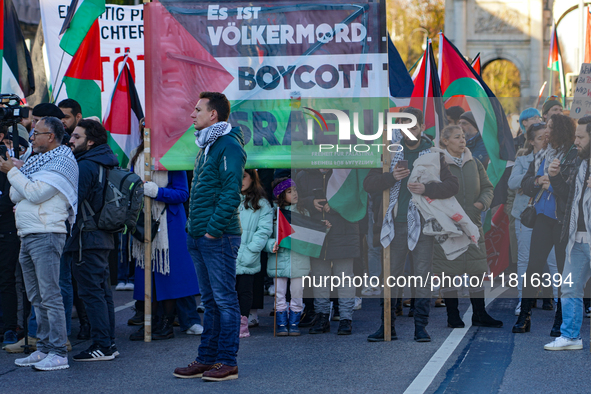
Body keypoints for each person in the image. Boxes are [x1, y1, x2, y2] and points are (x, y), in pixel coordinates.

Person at [363, 107, 459, 342]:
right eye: (403, 126)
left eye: (413, 126)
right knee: (392, 277)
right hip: (395, 223)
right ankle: (388, 326)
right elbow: (369, 183)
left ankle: (420, 327)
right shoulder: (390, 151)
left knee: (422, 276)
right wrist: (391, 177)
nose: (409, 131)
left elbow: (452, 185)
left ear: (422, 128)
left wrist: (427, 188)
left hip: (423, 224)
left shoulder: (434, 153)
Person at [174, 92, 246, 382]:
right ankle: (207, 360)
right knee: (211, 302)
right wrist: (196, 230)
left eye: (197, 110)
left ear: (213, 114)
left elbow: (231, 192)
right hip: (200, 235)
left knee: (225, 301)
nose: (192, 115)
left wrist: (212, 229)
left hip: (219, 236)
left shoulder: (228, 144)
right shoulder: (207, 144)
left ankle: (227, 363)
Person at [0, 117, 78, 371]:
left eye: (37, 134)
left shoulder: (62, 161)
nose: (32, 138)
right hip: (28, 233)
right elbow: (15, 193)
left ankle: (58, 353)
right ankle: (43, 348)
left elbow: (33, 193)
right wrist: (22, 179)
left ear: (52, 137)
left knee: (50, 294)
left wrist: (13, 172)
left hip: (47, 233)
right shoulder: (35, 161)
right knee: (35, 296)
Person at [130, 132, 203, 341]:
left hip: (169, 224)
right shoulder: (135, 155)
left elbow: (182, 193)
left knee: (171, 276)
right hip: (143, 221)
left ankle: (166, 324)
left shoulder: (173, 157)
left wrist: (157, 192)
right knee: (148, 276)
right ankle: (150, 323)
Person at [61, 119, 119, 361]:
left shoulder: (85, 166)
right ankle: (107, 342)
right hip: (101, 235)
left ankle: (102, 345)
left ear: (91, 141)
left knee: (91, 293)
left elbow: (72, 201)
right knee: (101, 291)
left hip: (87, 237)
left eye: (76, 137)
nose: (70, 140)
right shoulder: (105, 162)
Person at [513, 114, 577, 336]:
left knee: (561, 271)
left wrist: (553, 183)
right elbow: (525, 184)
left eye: (550, 127)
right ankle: (525, 316)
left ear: (559, 129)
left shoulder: (574, 155)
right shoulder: (542, 154)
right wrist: (539, 181)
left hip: (563, 220)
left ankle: (560, 319)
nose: (546, 131)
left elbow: (571, 193)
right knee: (533, 267)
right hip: (542, 217)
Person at [434, 125, 502, 328]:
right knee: (449, 270)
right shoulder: (437, 164)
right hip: (448, 225)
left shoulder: (474, 163)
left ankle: (479, 314)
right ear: (445, 141)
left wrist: (480, 204)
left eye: (463, 136)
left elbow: (488, 187)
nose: (462, 140)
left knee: (476, 269)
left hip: (472, 223)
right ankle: (452, 315)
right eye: (457, 137)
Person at [544, 116, 591, 350]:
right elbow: (566, 195)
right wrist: (554, 175)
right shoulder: (581, 163)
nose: (577, 141)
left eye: (581, 137)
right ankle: (571, 337)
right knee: (570, 287)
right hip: (577, 237)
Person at [296, 168, 359, 336]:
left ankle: (346, 318)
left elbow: (358, 198)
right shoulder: (304, 174)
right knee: (319, 277)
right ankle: (322, 316)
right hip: (315, 229)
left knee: (345, 277)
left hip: (344, 228)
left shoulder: (346, 172)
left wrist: (337, 205)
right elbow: (294, 199)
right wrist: (311, 202)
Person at [508, 122, 558, 315]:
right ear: (530, 141)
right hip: (527, 215)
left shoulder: (557, 157)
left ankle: (558, 300)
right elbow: (512, 183)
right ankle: (523, 301)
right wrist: (535, 181)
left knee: (554, 260)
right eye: (539, 138)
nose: (545, 141)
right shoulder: (523, 159)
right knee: (524, 259)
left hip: (550, 215)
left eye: (547, 136)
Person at [266, 178, 316, 336]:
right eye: (289, 191)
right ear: (280, 195)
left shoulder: (303, 212)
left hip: (298, 260)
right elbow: (266, 236)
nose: (294, 194)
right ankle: (281, 322)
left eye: (295, 190)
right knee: (279, 293)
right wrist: (271, 244)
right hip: (279, 260)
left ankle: (294, 321)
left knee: (297, 292)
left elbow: (310, 236)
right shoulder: (273, 213)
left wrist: (324, 229)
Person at [235, 169, 273, 338]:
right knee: (226, 291)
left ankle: (243, 324)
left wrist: (250, 251)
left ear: (252, 177)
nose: (240, 180)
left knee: (245, 290)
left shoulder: (262, 204)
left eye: (243, 176)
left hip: (247, 255)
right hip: (227, 254)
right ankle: (228, 323)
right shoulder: (227, 198)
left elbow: (264, 231)